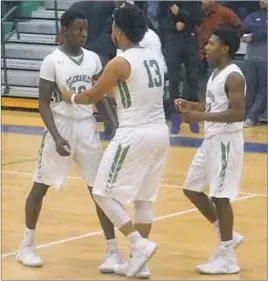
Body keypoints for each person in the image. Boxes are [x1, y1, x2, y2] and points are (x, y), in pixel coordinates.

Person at [63, 4, 169, 278]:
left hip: (134, 132)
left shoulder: (120, 62)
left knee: (101, 192)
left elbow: (93, 95)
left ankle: (137, 244)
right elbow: (128, 89)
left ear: (118, 31)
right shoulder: (154, 57)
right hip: (160, 132)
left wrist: (70, 96)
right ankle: (138, 263)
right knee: (144, 199)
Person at [16, 9, 117, 268]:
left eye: (85, 29)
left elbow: (101, 95)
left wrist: (113, 125)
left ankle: (112, 250)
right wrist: (56, 136)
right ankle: (26, 245)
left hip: (86, 127)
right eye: (77, 29)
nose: (83, 34)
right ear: (64, 30)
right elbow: (43, 103)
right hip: (60, 125)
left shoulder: (93, 59)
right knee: (40, 186)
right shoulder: (52, 61)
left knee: (100, 189)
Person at [175, 28, 245, 274]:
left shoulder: (234, 76)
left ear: (225, 47)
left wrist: (200, 116)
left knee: (221, 197)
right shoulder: (216, 73)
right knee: (191, 189)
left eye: (212, 43)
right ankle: (228, 236)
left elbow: (238, 113)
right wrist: (192, 105)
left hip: (226, 141)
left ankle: (228, 258)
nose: (206, 46)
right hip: (211, 140)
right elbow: (215, 105)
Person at [242, 0, 267, 127]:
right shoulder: (253, 15)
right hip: (250, 58)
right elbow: (245, 26)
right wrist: (260, 31)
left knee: (264, 89)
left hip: (265, 59)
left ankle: (253, 117)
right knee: (249, 88)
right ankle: (243, 115)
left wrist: (254, 35)